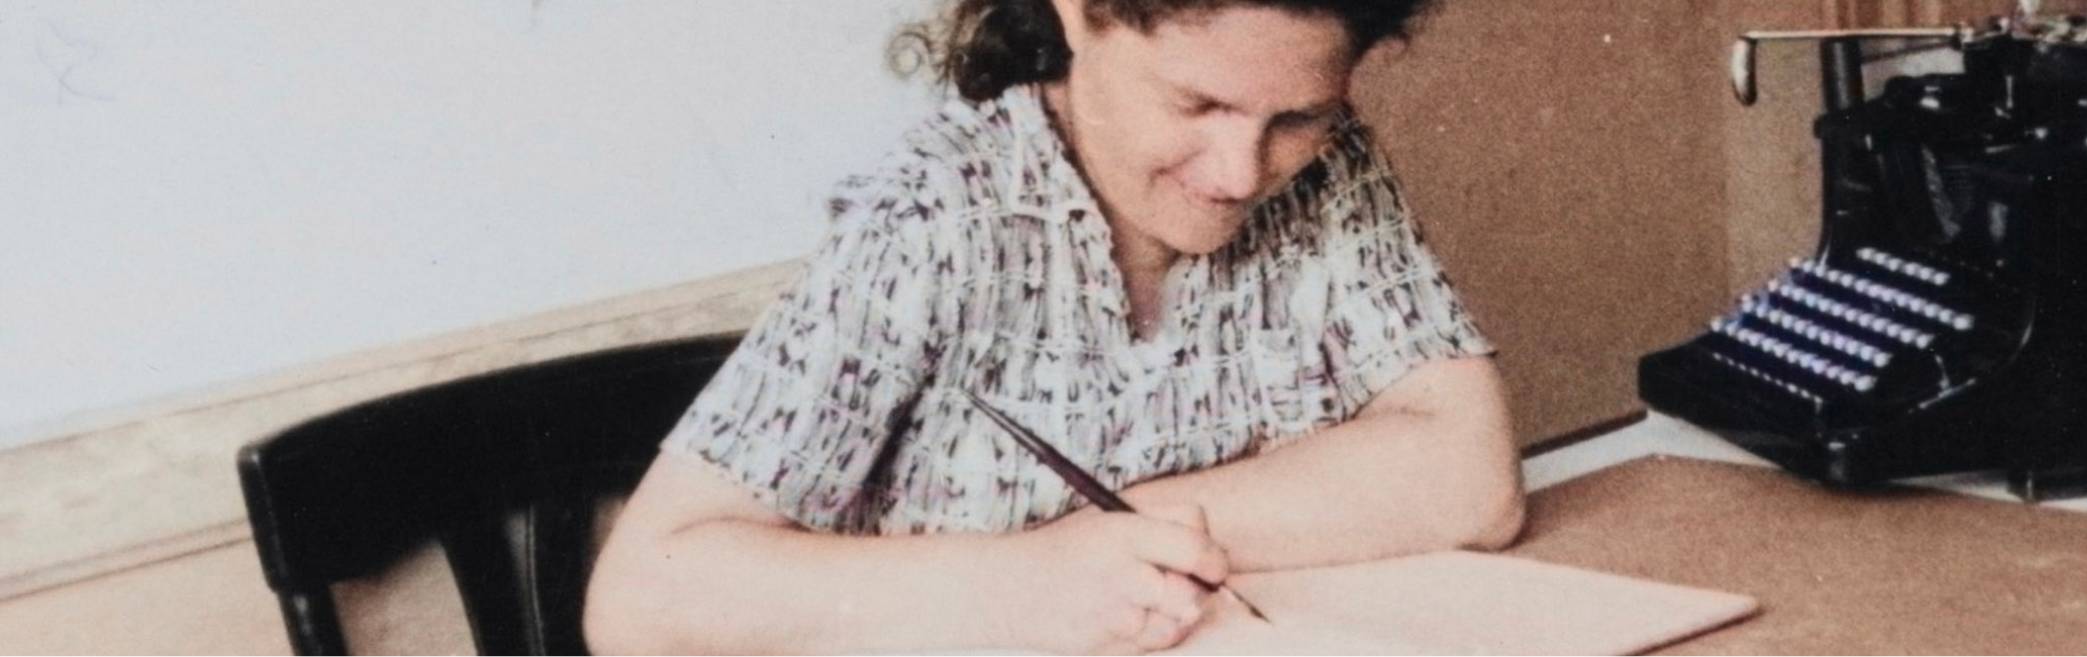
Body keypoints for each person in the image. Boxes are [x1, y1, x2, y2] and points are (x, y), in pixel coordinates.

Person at [584, 0, 1524, 652]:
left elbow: (1469, 474)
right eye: (1197, 103)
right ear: (1076, 14)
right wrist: (1018, 581)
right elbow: (641, 596)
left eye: (1297, 116)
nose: (1241, 171)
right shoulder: (940, 215)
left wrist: (1127, 532)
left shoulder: (1330, 170)